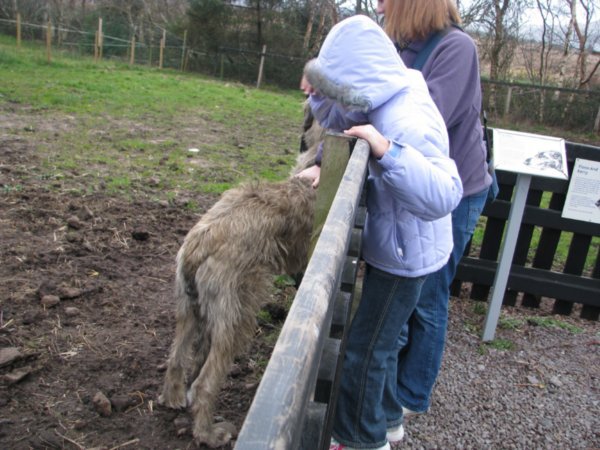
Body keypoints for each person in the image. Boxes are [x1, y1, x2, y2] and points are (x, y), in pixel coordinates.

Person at [297, 14, 463, 450]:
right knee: (382, 346)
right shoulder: (385, 89)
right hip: (403, 245)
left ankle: (361, 440)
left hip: (406, 257)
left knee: (363, 351)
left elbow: (446, 192)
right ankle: (388, 421)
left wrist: (387, 151)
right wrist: (318, 96)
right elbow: (344, 114)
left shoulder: (405, 119)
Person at [376, 0, 496, 438]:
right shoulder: (400, 45)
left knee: (428, 295)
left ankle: (411, 394)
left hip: (455, 192)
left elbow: (423, 123)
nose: (378, 5)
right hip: (418, 185)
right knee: (411, 290)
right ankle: (393, 389)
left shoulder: (456, 49)